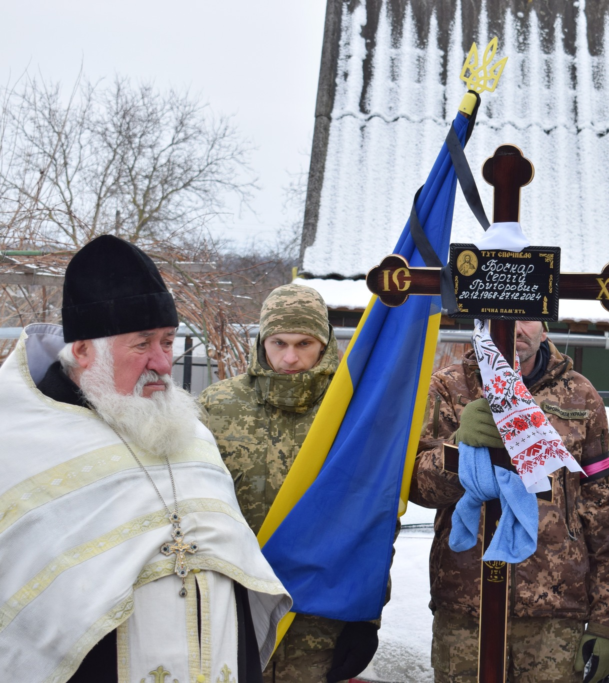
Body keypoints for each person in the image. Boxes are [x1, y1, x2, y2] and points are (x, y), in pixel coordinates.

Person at [0, 235, 290, 683]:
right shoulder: (20, 441)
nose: (161, 362)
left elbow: (234, 564)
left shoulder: (189, 432)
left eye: (168, 341)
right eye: (141, 345)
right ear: (81, 349)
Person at [412, 320, 609, 683]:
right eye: (501, 316)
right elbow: (419, 489)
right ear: (481, 323)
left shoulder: (580, 394)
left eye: (527, 316)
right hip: (468, 605)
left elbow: (603, 506)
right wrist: (459, 449)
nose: (513, 328)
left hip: (555, 613)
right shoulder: (450, 386)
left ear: (545, 329)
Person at [200, 283, 381, 683]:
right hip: (237, 606)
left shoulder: (352, 411)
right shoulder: (217, 407)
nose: (290, 358)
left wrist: (366, 615)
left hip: (321, 615)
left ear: (326, 342)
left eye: (305, 343)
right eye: (278, 342)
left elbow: (374, 512)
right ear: (262, 340)